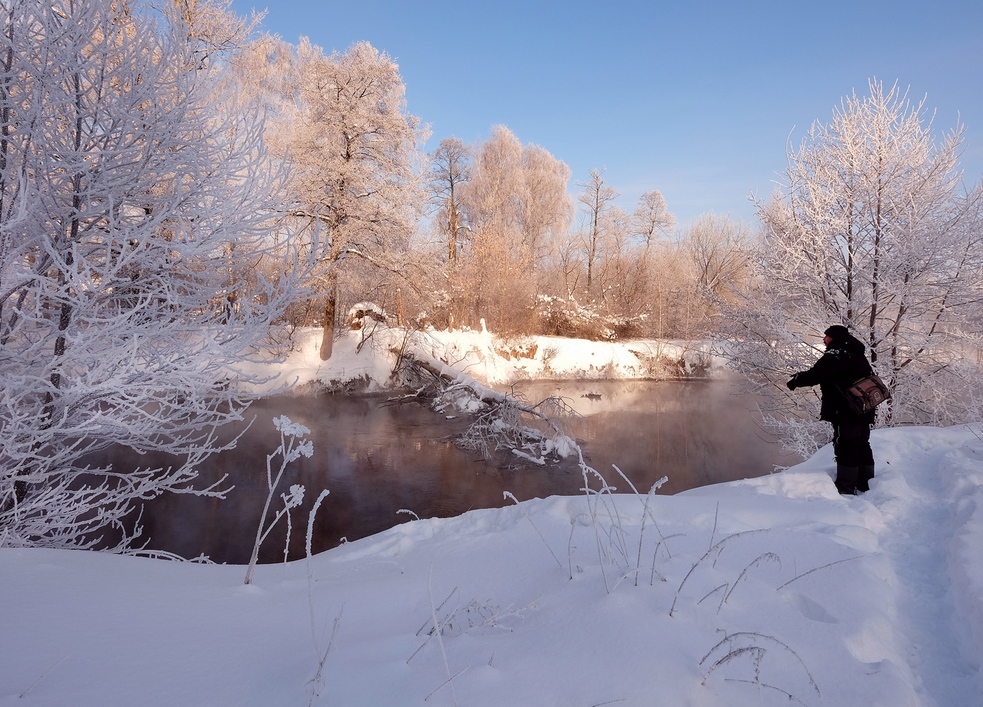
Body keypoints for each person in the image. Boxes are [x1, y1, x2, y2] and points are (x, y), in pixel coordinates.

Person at [786, 325, 876, 495]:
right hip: (864, 407)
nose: (824, 339)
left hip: (846, 409)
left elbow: (816, 374)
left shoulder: (836, 355)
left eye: (826, 336)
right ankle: (866, 482)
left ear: (834, 338)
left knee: (846, 444)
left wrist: (796, 381)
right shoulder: (857, 354)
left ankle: (845, 485)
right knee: (862, 443)